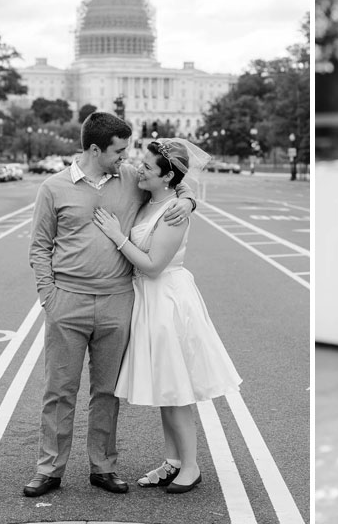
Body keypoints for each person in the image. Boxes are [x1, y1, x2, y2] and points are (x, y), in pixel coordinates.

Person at [24, 112, 196, 498]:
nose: (127, 157)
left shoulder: (131, 178)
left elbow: (172, 179)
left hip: (119, 300)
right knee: (59, 390)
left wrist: (190, 200)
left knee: (106, 392)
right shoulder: (53, 188)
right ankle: (49, 469)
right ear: (95, 149)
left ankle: (102, 467)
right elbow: (39, 246)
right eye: (119, 151)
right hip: (67, 300)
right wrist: (48, 297)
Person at [92, 138, 242, 494]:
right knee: (165, 386)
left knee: (176, 389)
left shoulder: (173, 210)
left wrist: (116, 236)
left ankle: (191, 465)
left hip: (167, 298)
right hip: (148, 299)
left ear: (166, 177)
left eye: (148, 167)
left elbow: (154, 265)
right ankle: (173, 460)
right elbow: (181, 185)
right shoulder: (151, 198)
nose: (140, 169)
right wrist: (190, 197)